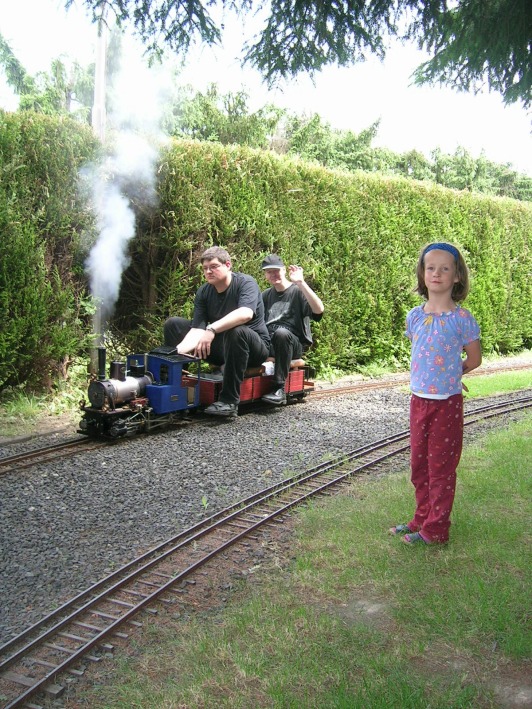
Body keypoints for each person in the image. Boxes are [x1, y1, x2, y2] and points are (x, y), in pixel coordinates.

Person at [390, 242, 482, 545]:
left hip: (447, 406)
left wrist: (455, 375)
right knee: (419, 466)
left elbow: (474, 358)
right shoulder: (414, 316)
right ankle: (421, 519)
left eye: (445, 268)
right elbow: (423, 356)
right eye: (431, 268)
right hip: (418, 401)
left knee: (441, 467)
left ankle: (436, 530)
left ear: (457, 276)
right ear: (422, 273)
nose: (437, 273)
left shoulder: (462, 319)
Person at [163, 246, 270, 418]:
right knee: (174, 324)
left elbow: (245, 314)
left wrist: (211, 329)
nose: (208, 271)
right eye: (205, 268)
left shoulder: (246, 283)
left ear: (228, 265)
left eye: (213, 266)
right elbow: (197, 329)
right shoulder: (204, 292)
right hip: (223, 348)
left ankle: (229, 401)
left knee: (237, 331)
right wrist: (173, 354)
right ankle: (175, 386)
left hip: (253, 349)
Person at [260, 254, 324, 405]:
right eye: (269, 272)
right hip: (269, 344)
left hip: (291, 344)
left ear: (283, 270)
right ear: (265, 275)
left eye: (276, 270)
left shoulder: (297, 291)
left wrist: (301, 283)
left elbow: (319, 311)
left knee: (281, 334)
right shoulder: (265, 295)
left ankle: (279, 389)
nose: (273, 274)